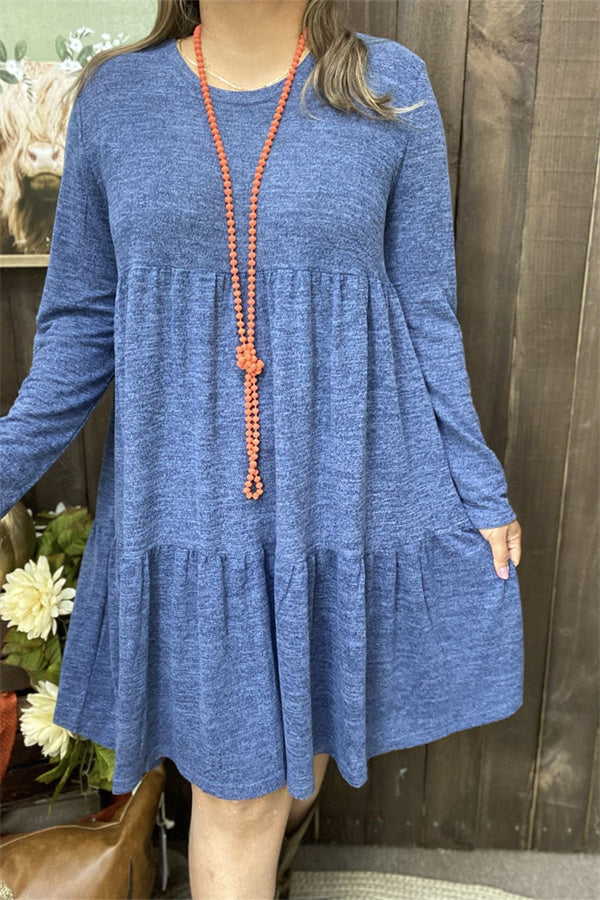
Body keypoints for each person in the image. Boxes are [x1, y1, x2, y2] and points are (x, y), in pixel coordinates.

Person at [0, 0, 524, 897]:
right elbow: (80, 327)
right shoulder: (118, 100)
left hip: (347, 498)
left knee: (296, 766)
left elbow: (425, 310)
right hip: (193, 511)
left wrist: (479, 485)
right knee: (240, 800)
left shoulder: (387, 86)